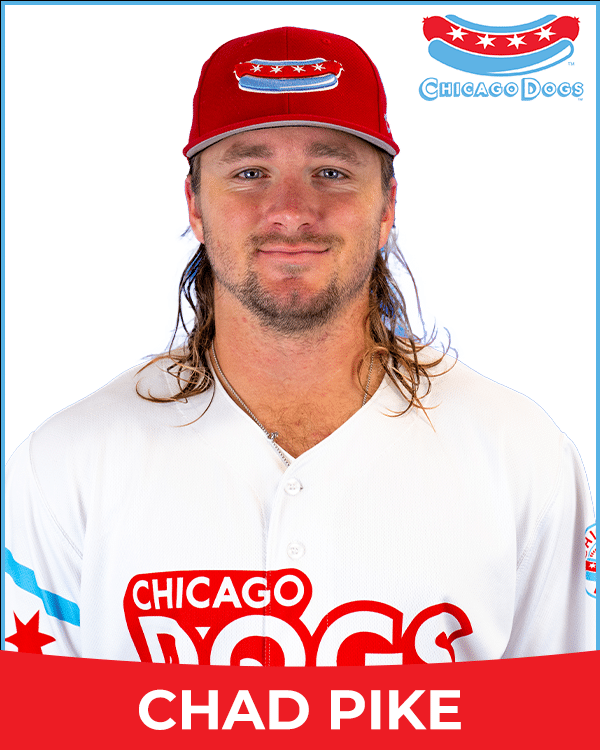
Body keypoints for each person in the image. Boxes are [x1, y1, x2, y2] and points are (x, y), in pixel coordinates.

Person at [5, 26, 595, 665]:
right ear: (195, 206)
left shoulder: (519, 454)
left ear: (388, 205)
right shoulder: (66, 463)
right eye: (250, 172)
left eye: (331, 172)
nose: (290, 210)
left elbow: (558, 710)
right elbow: (38, 711)